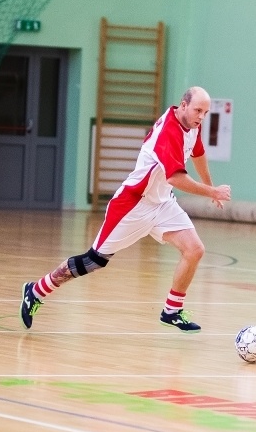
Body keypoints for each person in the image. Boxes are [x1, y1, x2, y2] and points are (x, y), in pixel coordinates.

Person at [19, 86, 231, 333]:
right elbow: (176, 178)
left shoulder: (192, 125)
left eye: (205, 112)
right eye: (198, 110)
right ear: (183, 105)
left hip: (162, 203)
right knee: (93, 261)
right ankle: (35, 291)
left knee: (194, 250)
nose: (201, 117)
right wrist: (212, 193)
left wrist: (209, 184)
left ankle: (172, 311)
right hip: (132, 205)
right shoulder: (168, 132)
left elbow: (198, 152)